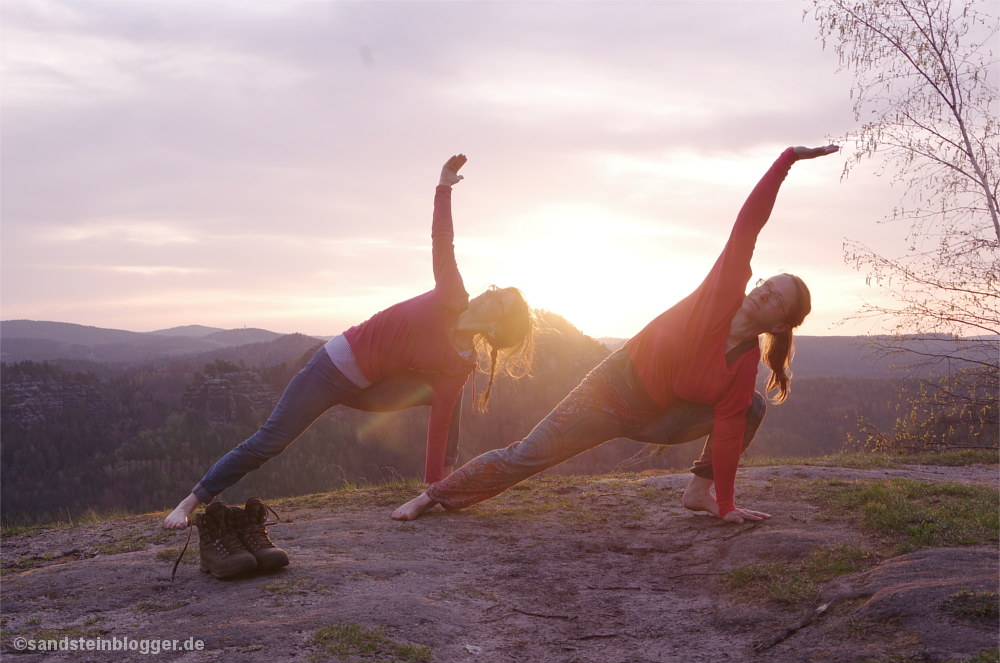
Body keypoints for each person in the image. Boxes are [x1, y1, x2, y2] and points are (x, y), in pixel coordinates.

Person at [393, 144, 839, 525]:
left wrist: (725, 505)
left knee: (751, 409)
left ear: (781, 324)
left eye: (776, 299)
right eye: (766, 285)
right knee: (527, 455)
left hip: (657, 417)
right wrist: (785, 163)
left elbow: (725, 436)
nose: (763, 294)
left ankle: (696, 495)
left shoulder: (741, 369)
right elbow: (748, 226)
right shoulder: (721, 294)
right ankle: (434, 496)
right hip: (609, 392)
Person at [164, 155, 535, 529]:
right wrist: (443, 186)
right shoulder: (452, 293)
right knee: (268, 443)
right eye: (495, 290)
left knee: (447, 395)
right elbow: (443, 238)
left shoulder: (462, 359)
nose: (490, 294)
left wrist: (428, 497)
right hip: (330, 369)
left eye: (498, 302)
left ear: (496, 327)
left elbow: (440, 424)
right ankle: (188, 503)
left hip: (372, 388)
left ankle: (441, 486)